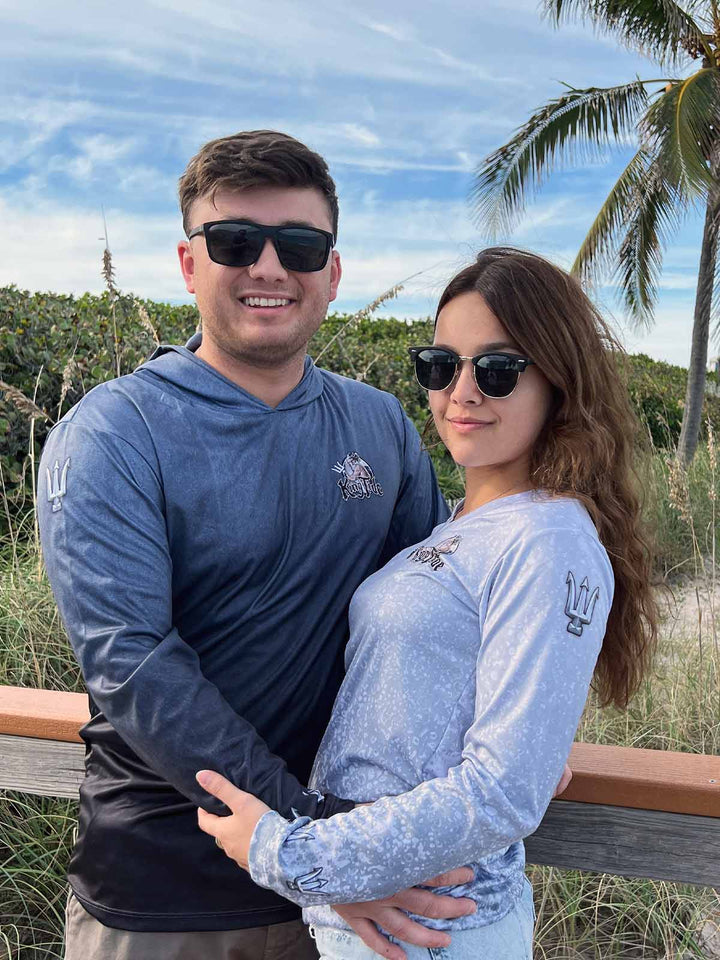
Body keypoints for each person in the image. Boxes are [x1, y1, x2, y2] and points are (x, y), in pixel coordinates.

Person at [37, 130, 484, 960]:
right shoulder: (114, 432)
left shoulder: (378, 424)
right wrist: (317, 843)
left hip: (357, 890)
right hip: (171, 897)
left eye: (301, 245)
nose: (270, 267)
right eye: (236, 242)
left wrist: (527, 712)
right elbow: (136, 667)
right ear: (188, 264)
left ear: (333, 271)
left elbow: (444, 607)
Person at [194, 247, 659, 960]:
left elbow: (504, 792)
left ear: (559, 384)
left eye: (498, 370)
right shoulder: (463, 525)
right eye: (442, 365)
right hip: (383, 916)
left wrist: (291, 857)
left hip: (442, 927)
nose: (461, 393)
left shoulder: (548, 537)